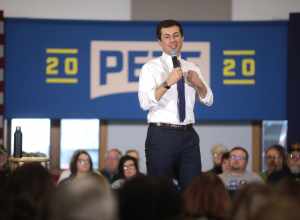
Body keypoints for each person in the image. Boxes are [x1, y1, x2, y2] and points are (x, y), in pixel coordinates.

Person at [138, 19, 213, 190]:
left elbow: (208, 99)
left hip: (188, 135)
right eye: (167, 36)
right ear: (160, 42)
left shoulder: (192, 66)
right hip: (161, 135)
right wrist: (167, 83)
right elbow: (144, 102)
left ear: (182, 38)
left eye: (176, 35)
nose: (172, 40)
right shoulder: (150, 68)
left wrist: (198, 83)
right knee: (160, 190)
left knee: (193, 190)